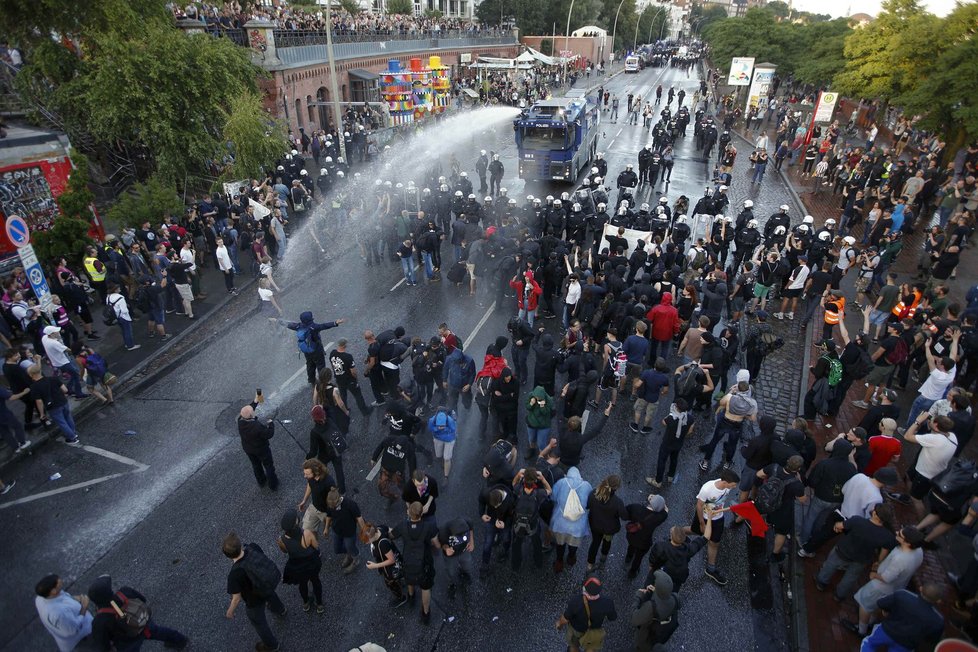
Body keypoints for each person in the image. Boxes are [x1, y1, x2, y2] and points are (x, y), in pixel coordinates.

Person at [841, 526, 925, 638]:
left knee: (865, 605)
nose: (896, 533)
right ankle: (871, 621)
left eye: (900, 535)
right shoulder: (919, 551)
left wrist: (874, 574)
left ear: (908, 543)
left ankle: (861, 630)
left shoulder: (901, 559)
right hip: (898, 586)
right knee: (877, 605)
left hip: (880, 587)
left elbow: (887, 578)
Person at [816, 503, 897, 601]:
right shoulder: (887, 536)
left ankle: (821, 582)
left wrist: (837, 525)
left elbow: (841, 526)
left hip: (843, 551)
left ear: (875, 514)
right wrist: (879, 562)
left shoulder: (858, 521)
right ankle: (839, 595)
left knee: (830, 565)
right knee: (850, 578)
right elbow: (884, 550)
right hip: (862, 559)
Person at [87, 574, 189, 651]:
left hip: (127, 641)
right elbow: (142, 599)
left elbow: (102, 645)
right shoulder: (125, 591)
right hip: (143, 623)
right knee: (160, 632)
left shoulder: (99, 621)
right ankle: (180, 641)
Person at [222, 532, 287, 652]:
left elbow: (236, 598)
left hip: (254, 599)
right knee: (271, 595)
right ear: (240, 545)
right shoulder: (252, 547)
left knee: (258, 622)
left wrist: (230, 611)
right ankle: (281, 609)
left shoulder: (235, 574)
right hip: (266, 585)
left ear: (228, 556)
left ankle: (271, 645)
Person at [688, 469, 740, 586]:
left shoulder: (726, 487)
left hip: (718, 518)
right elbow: (699, 505)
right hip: (704, 518)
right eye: (733, 485)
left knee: (714, 542)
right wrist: (702, 523)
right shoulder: (707, 488)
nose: (735, 487)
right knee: (692, 531)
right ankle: (678, 534)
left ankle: (711, 569)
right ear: (725, 482)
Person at [391, 502, 439, 624]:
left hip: (408, 560)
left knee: (410, 579)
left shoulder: (402, 525)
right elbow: (436, 544)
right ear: (422, 513)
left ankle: (411, 596)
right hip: (425, 562)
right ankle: (426, 612)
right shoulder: (429, 527)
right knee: (425, 587)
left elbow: (391, 535)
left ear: (408, 512)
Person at [859, 585, 945, 651]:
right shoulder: (938, 620)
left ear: (921, 588)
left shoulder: (903, 594)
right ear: (939, 601)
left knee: (868, 643)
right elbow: (931, 639)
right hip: (907, 643)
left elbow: (881, 603)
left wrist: (886, 611)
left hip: (887, 631)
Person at [756, 456, 807, 562]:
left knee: (765, 516)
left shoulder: (773, 467)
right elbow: (802, 500)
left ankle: (762, 528)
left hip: (767, 502)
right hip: (783, 509)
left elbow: (759, 474)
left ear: (787, 461)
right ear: (798, 469)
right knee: (781, 532)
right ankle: (775, 554)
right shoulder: (796, 484)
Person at [280, 311, 346, 385]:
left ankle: (311, 380)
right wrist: (335, 323)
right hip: (316, 350)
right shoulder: (313, 327)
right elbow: (324, 326)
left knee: (310, 365)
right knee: (320, 365)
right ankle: (324, 382)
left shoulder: (298, 326)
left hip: (307, 351)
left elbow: (288, 324)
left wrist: (277, 321)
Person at [556, 575, 617, 652]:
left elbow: (565, 618)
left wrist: (559, 623)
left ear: (585, 588)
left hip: (576, 631)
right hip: (593, 632)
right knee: (591, 648)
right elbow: (612, 618)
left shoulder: (576, 601)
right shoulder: (608, 602)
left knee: (573, 646)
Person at [550, 466, 594, 574]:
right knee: (573, 544)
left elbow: (553, 497)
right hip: (578, 526)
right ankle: (571, 557)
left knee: (560, 544)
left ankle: (559, 562)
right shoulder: (587, 485)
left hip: (560, 523)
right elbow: (589, 503)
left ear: (568, 474)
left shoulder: (561, 482)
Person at [34, 573, 93, 652]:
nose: (62, 582)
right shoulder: (59, 613)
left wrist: (74, 598)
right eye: (59, 583)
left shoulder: (40, 598)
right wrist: (84, 607)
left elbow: (62, 595)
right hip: (81, 638)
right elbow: (75, 628)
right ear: (53, 591)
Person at [510, 467, 550, 572]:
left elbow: (513, 483)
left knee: (516, 546)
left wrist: (518, 474)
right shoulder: (539, 493)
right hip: (533, 526)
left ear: (524, 478)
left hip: (517, 524)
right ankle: (538, 563)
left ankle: (516, 565)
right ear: (535, 480)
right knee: (537, 545)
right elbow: (550, 490)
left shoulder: (518, 489)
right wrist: (543, 479)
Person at [29, 364, 80, 445]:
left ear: (31, 374)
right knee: (68, 418)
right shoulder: (53, 379)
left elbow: (39, 402)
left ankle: (72, 437)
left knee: (62, 422)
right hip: (63, 401)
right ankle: (73, 432)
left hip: (53, 407)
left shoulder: (34, 387)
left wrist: (42, 414)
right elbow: (65, 389)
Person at [585, 475, 628, 571]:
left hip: (595, 525)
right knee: (607, 542)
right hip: (609, 529)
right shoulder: (618, 502)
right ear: (616, 488)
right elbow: (624, 517)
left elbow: (587, 506)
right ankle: (603, 558)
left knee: (595, 543)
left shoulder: (593, 493)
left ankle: (590, 565)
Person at [647, 399, 692, 488]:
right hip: (678, 443)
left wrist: (671, 413)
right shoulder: (689, 418)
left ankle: (658, 480)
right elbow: (690, 431)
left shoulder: (671, 418)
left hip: (667, 443)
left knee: (662, 460)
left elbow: (663, 422)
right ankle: (670, 476)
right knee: (674, 459)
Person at [632, 570, 680, 651]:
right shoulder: (675, 598)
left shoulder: (651, 607)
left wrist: (638, 597)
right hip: (661, 635)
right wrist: (657, 591)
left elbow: (634, 619)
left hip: (647, 640)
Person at [237, 394, 277, 490]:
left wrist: (256, 400)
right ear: (251, 415)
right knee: (268, 466)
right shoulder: (257, 427)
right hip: (261, 449)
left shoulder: (240, 421)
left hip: (248, 449)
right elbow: (269, 434)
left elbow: (250, 409)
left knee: (256, 465)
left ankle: (261, 481)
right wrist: (271, 424)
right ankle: (273, 484)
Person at [624, 494, 669, 579]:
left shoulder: (636, 508)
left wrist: (651, 498)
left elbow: (626, 512)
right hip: (644, 542)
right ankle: (632, 572)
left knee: (631, 546)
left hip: (632, 536)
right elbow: (666, 511)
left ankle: (628, 558)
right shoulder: (658, 518)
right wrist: (662, 504)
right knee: (638, 557)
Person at [324, 487, 367, 574]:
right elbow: (329, 516)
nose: (332, 507)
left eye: (333, 505)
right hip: (337, 531)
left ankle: (355, 560)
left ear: (338, 499)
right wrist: (326, 528)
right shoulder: (330, 504)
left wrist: (364, 531)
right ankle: (349, 554)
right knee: (337, 549)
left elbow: (359, 518)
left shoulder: (350, 504)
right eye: (330, 506)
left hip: (349, 533)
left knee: (350, 547)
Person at [365, 524, 407, 607]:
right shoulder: (380, 528)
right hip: (395, 557)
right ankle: (402, 580)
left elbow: (391, 560)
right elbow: (391, 531)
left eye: (367, 540)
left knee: (390, 583)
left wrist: (375, 566)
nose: (366, 543)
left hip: (390, 568)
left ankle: (401, 598)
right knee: (400, 574)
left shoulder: (382, 544)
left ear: (372, 536)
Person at [437, 517, 475, 593]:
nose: (463, 536)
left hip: (464, 551)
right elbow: (442, 544)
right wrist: (446, 549)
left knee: (467, 566)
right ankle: (451, 583)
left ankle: (464, 573)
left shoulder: (468, 521)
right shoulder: (443, 531)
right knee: (450, 572)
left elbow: (470, 529)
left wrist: (472, 541)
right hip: (451, 556)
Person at [106, 283, 140, 351]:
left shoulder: (108, 297)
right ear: (115, 290)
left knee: (123, 331)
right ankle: (130, 345)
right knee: (128, 331)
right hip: (123, 317)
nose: (120, 289)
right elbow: (124, 310)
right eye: (118, 288)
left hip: (115, 317)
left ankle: (127, 343)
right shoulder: (120, 297)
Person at [427, 407, 457, 478]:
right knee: (438, 455)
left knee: (447, 458)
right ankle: (442, 463)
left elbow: (453, 430)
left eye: (442, 426)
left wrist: (442, 429)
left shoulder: (450, 420)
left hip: (449, 439)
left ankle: (446, 476)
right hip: (438, 438)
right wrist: (437, 428)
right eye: (439, 426)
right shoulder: (432, 420)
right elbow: (430, 428)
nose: (441, 427)